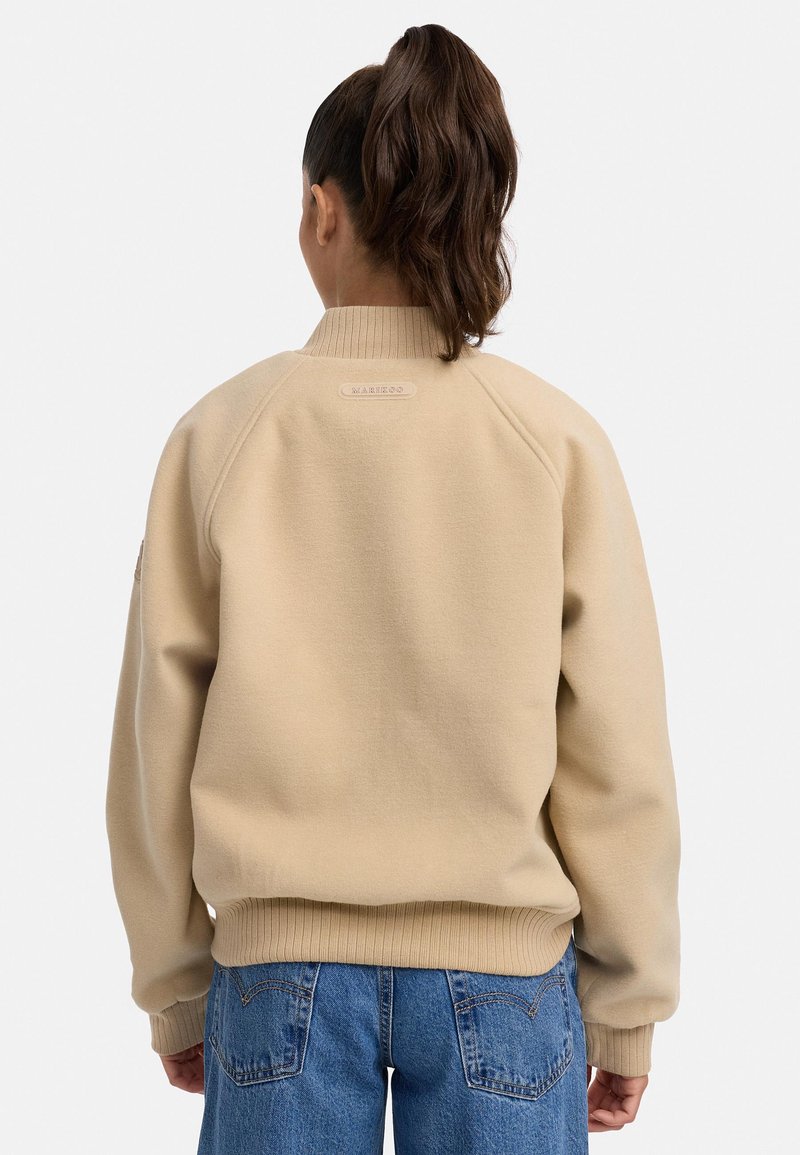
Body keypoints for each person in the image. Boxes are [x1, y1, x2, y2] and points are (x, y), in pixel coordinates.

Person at [105, 23, 681, 1155]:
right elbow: (617, 751)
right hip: (504, 983)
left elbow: (152, 739)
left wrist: (175, 983)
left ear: (322, 210)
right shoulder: (553, 441)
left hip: (278, 976)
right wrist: (627, 1005)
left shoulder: (221, 435)